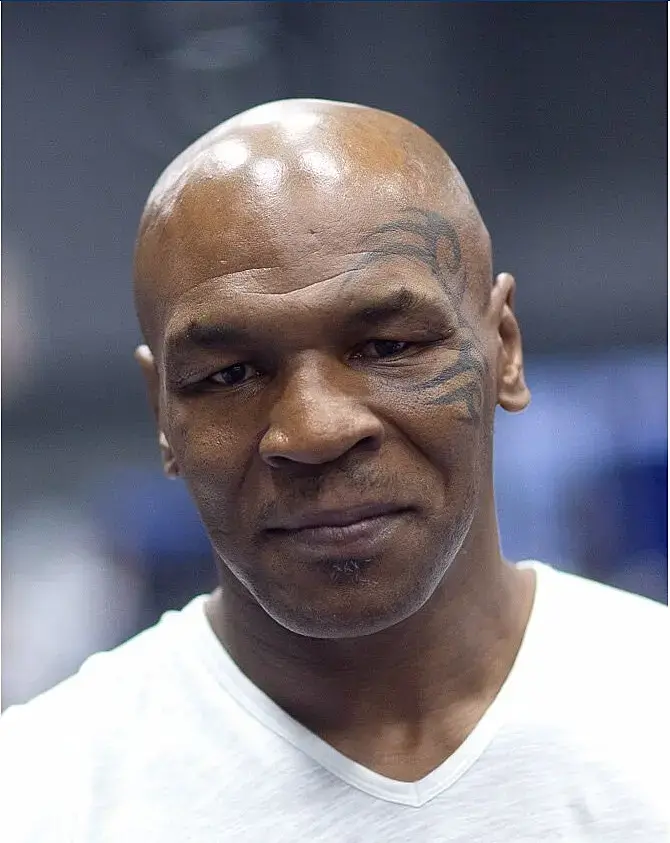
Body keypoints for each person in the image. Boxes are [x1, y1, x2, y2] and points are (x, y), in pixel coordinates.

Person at [1, 99, 666, 842]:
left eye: (388, 347)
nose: (313, 431)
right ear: (161, 410)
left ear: (504, 347)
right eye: (229, 374)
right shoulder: (38, 799)